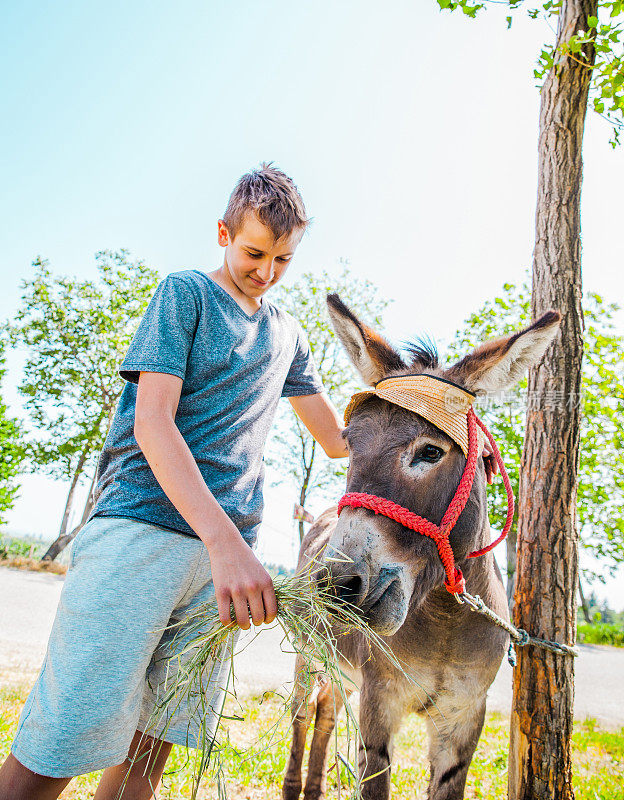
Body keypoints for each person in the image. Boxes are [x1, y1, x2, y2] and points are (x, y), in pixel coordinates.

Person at [0, 164, 348, 800]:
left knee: (147, 756)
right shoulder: (185, 294)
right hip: (145, 532)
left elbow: (337, 442)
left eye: (283, 259)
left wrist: (421, 415)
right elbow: (152, 422)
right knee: (63, 739)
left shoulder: (287, 332)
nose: (266, 271)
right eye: (254, 252)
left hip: (220, 565)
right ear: (222, 232)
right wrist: (225, 544)